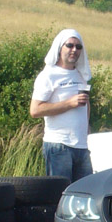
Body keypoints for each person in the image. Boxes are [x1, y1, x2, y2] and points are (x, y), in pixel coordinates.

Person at [30, 28, 93, 183]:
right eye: (69, 45)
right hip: (59, 145)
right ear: (60, 47)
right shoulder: (48, 75)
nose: (74, 50)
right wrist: (69, 103)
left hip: (82, 145)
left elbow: (86, 103)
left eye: (78, 47)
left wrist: (86, 127)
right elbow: (35, 110)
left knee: (85, 191)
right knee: (60, 191)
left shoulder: (81, 74)